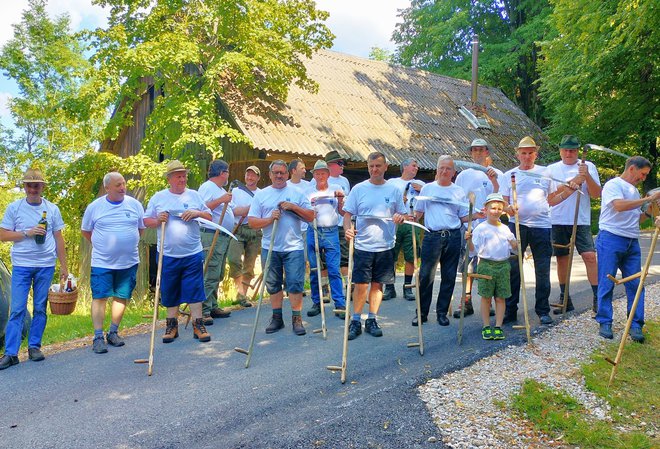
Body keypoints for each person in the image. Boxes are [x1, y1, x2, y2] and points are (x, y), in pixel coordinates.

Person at [0, 168, 68, 370]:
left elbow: (58, 238)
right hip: (21, 265)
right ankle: (11, 354)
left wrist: (64, 267)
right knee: (17, 309)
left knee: (40, 308)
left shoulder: (52, 209)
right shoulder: (15, 208)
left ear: (42, 187)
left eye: (36, 185)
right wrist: (27, 233)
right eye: (29, 185)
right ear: (24, 187)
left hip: (45, 265)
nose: (32, 189)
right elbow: (3, 234)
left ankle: (34, 347)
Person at [501, 136, 570, 325]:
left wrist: (568, 191)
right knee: (513, 269)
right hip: (517, 226)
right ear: (518, 154)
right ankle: (510, 309)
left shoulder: (545, 173)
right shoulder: (509, 175)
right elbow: (503, 202)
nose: (527, 156)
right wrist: (508, 208)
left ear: (535, 154)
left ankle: (542, 310)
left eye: (530, 153)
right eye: (523, 153)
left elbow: (552, 199)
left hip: (542, 226)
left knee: (542, 269)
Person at [144, 160, 213, 343]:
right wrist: (158, 219)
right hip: (167, 253)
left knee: (195, 289)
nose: (182, 179)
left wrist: (197, 213)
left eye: (184, 176)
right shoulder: (158, 197)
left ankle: (198, 325)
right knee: (170, 289)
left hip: (192, 252)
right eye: (178, 176)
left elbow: (209, 216)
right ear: (169, 179)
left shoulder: (194, 196)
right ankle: (171, 326)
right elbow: (146, 221)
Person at [595, 156, 660, 343]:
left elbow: (635, 219)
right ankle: (605, 321)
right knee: (606, 281)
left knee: (636, 284)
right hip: (611, 238)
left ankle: (636, 325)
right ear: (632, 169)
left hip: (632, 241)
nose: (644, 178)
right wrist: (648, 198)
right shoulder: (613, 185)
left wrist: (649, 211)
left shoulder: (634, 191)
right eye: (643, 174)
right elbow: (618, 206)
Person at [343, 152, 406, 339]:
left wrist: (400, 218)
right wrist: (348, 231)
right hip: (363, 245)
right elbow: (347, 216)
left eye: (378, 166)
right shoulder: (359, 189)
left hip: (385, 245)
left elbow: (402, 216)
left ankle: (372, 319)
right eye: (371, 166)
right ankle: (355, 320)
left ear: (385, 167)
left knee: (377, 285)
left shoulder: (394, 190)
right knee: (361, 284)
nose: (374, 169)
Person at [81, 172, 145, 354]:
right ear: (107, 187)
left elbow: (140, 229)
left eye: (123, 183)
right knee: (100, 297)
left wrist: (125, 244)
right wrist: (103, 245)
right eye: (118, 185)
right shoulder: (95, 207)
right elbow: (86, 231)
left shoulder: (134, 205)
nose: (122, 187)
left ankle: (113, 332)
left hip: (129, 261)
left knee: (121, 296)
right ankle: (98, 337)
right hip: (102, 262)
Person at [248, 160, 314, 335]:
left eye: (282, 173)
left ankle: (297, 319)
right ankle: (277, 318)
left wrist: (293, 206)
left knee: (295, 283)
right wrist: (269, 219)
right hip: (270, 246)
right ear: (270, 175)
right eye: (275, 172)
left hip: (294, 247)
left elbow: (310, 216)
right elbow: (252, 222)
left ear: (287, 174)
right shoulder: (261, 195)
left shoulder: (297, 193)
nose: (279, 175)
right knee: (273, 284)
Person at [546, 135, 601, 314]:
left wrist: (586, 177)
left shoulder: (588, 166)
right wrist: (572, 183)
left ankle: (597, 297)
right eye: (566, 150)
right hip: (558, 219)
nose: (569, 153)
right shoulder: (551, 169)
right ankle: (565, 296)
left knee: (590, 256)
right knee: (562, 258)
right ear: (560, 150)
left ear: (578, 151)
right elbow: (548, 197)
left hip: (581, 220)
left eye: (573, 150)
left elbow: (596, 194)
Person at [413, 156, 470, 327]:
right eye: (441, 168)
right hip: (432, 236)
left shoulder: (458, 191)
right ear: (437, 169)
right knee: (426, 276)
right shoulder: (427, 189)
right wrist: (409, 217)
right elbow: (418, 213)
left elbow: (463, 216)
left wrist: (477, 215)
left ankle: (442, 313)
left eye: (448, 169)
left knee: (449, 276)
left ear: (453, 172)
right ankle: (421, 313)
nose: (444, 172)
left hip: (453, 236)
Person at [454, 138, 503, 318]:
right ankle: (465, 302)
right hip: (469, 224)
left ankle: (486, 300)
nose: (478, 153)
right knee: (467, 264)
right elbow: (457, 199)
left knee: (487, 265)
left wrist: (494, 181)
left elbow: (499, 198)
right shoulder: (462, 175)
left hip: (488, 226)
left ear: (487, 152)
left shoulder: (494, 173)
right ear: (471, 153)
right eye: (475, 150)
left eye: (481, 150)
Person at [465, 193, 517, 340]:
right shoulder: (481, 229)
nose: (496, 211)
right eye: (492, 208)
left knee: (501, 298)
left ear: (503, 211)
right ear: (486, 209)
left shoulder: (506, 229)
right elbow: (473, 252)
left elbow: (515, 250)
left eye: (499, 208)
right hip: (486, 265)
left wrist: (515, 244)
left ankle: (498, 326)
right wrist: (468, 240)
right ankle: (486, 326)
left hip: (503, 265)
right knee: (486, 297)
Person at [305, 160, 346, 318]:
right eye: (317, 173)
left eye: (323, 173)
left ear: (328, 174)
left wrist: (341, 200)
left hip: (331, 232)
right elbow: (303, 212)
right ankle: (317, 302)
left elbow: (343, 212)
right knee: (315, 269)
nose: (320, 176)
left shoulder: (336, 189)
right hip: (313, 230)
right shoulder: (308, 191)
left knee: (334, 269)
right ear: (314, 175)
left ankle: (340, 303)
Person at [383, 158, 425, 301]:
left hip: (412, 224)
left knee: (411, 256)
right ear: (405, 167)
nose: (416, 168)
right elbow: (384, 200)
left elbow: (425, 203)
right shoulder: (392, 182)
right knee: (390, 255)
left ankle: (407, 288)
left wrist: (417, 216)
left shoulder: (421, 185)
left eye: (417, 166)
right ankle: (389, 288)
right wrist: (399, 200)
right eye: (414, 165)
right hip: (394, 222)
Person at [198, 160, 234, 325]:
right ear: (222, 173)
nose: (228, 176)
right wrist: (221, 199)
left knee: (218, 272)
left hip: (222, 236)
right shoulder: (207, 187)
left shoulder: (219, 189)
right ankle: (203, 310)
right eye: (227, 172)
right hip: (211, 234)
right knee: (210, 271)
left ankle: (212, 305)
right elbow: (202, 208)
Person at [227, 166, 262, 307]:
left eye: (253, 175)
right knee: (234, 260)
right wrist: (251, 208)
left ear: (258, 178)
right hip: (238, 229)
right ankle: (240, 290)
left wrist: (247, 210)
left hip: (255, 230)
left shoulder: (261, 193)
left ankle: (242, 296)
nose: (250, 178)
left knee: (250, 265)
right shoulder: (236, 191)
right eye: (248, 175)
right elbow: (234, 211)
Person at [313, 151, 351, 278]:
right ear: (329, 165)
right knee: (323, 259)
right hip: (322, 226)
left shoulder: (344, 181)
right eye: (339, 163)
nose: (342, 166)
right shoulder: (315, 182)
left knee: (344, 258)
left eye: (343, 163)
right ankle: (325, 290)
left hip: (341, 224)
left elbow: (348, 205)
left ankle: (348, 288)